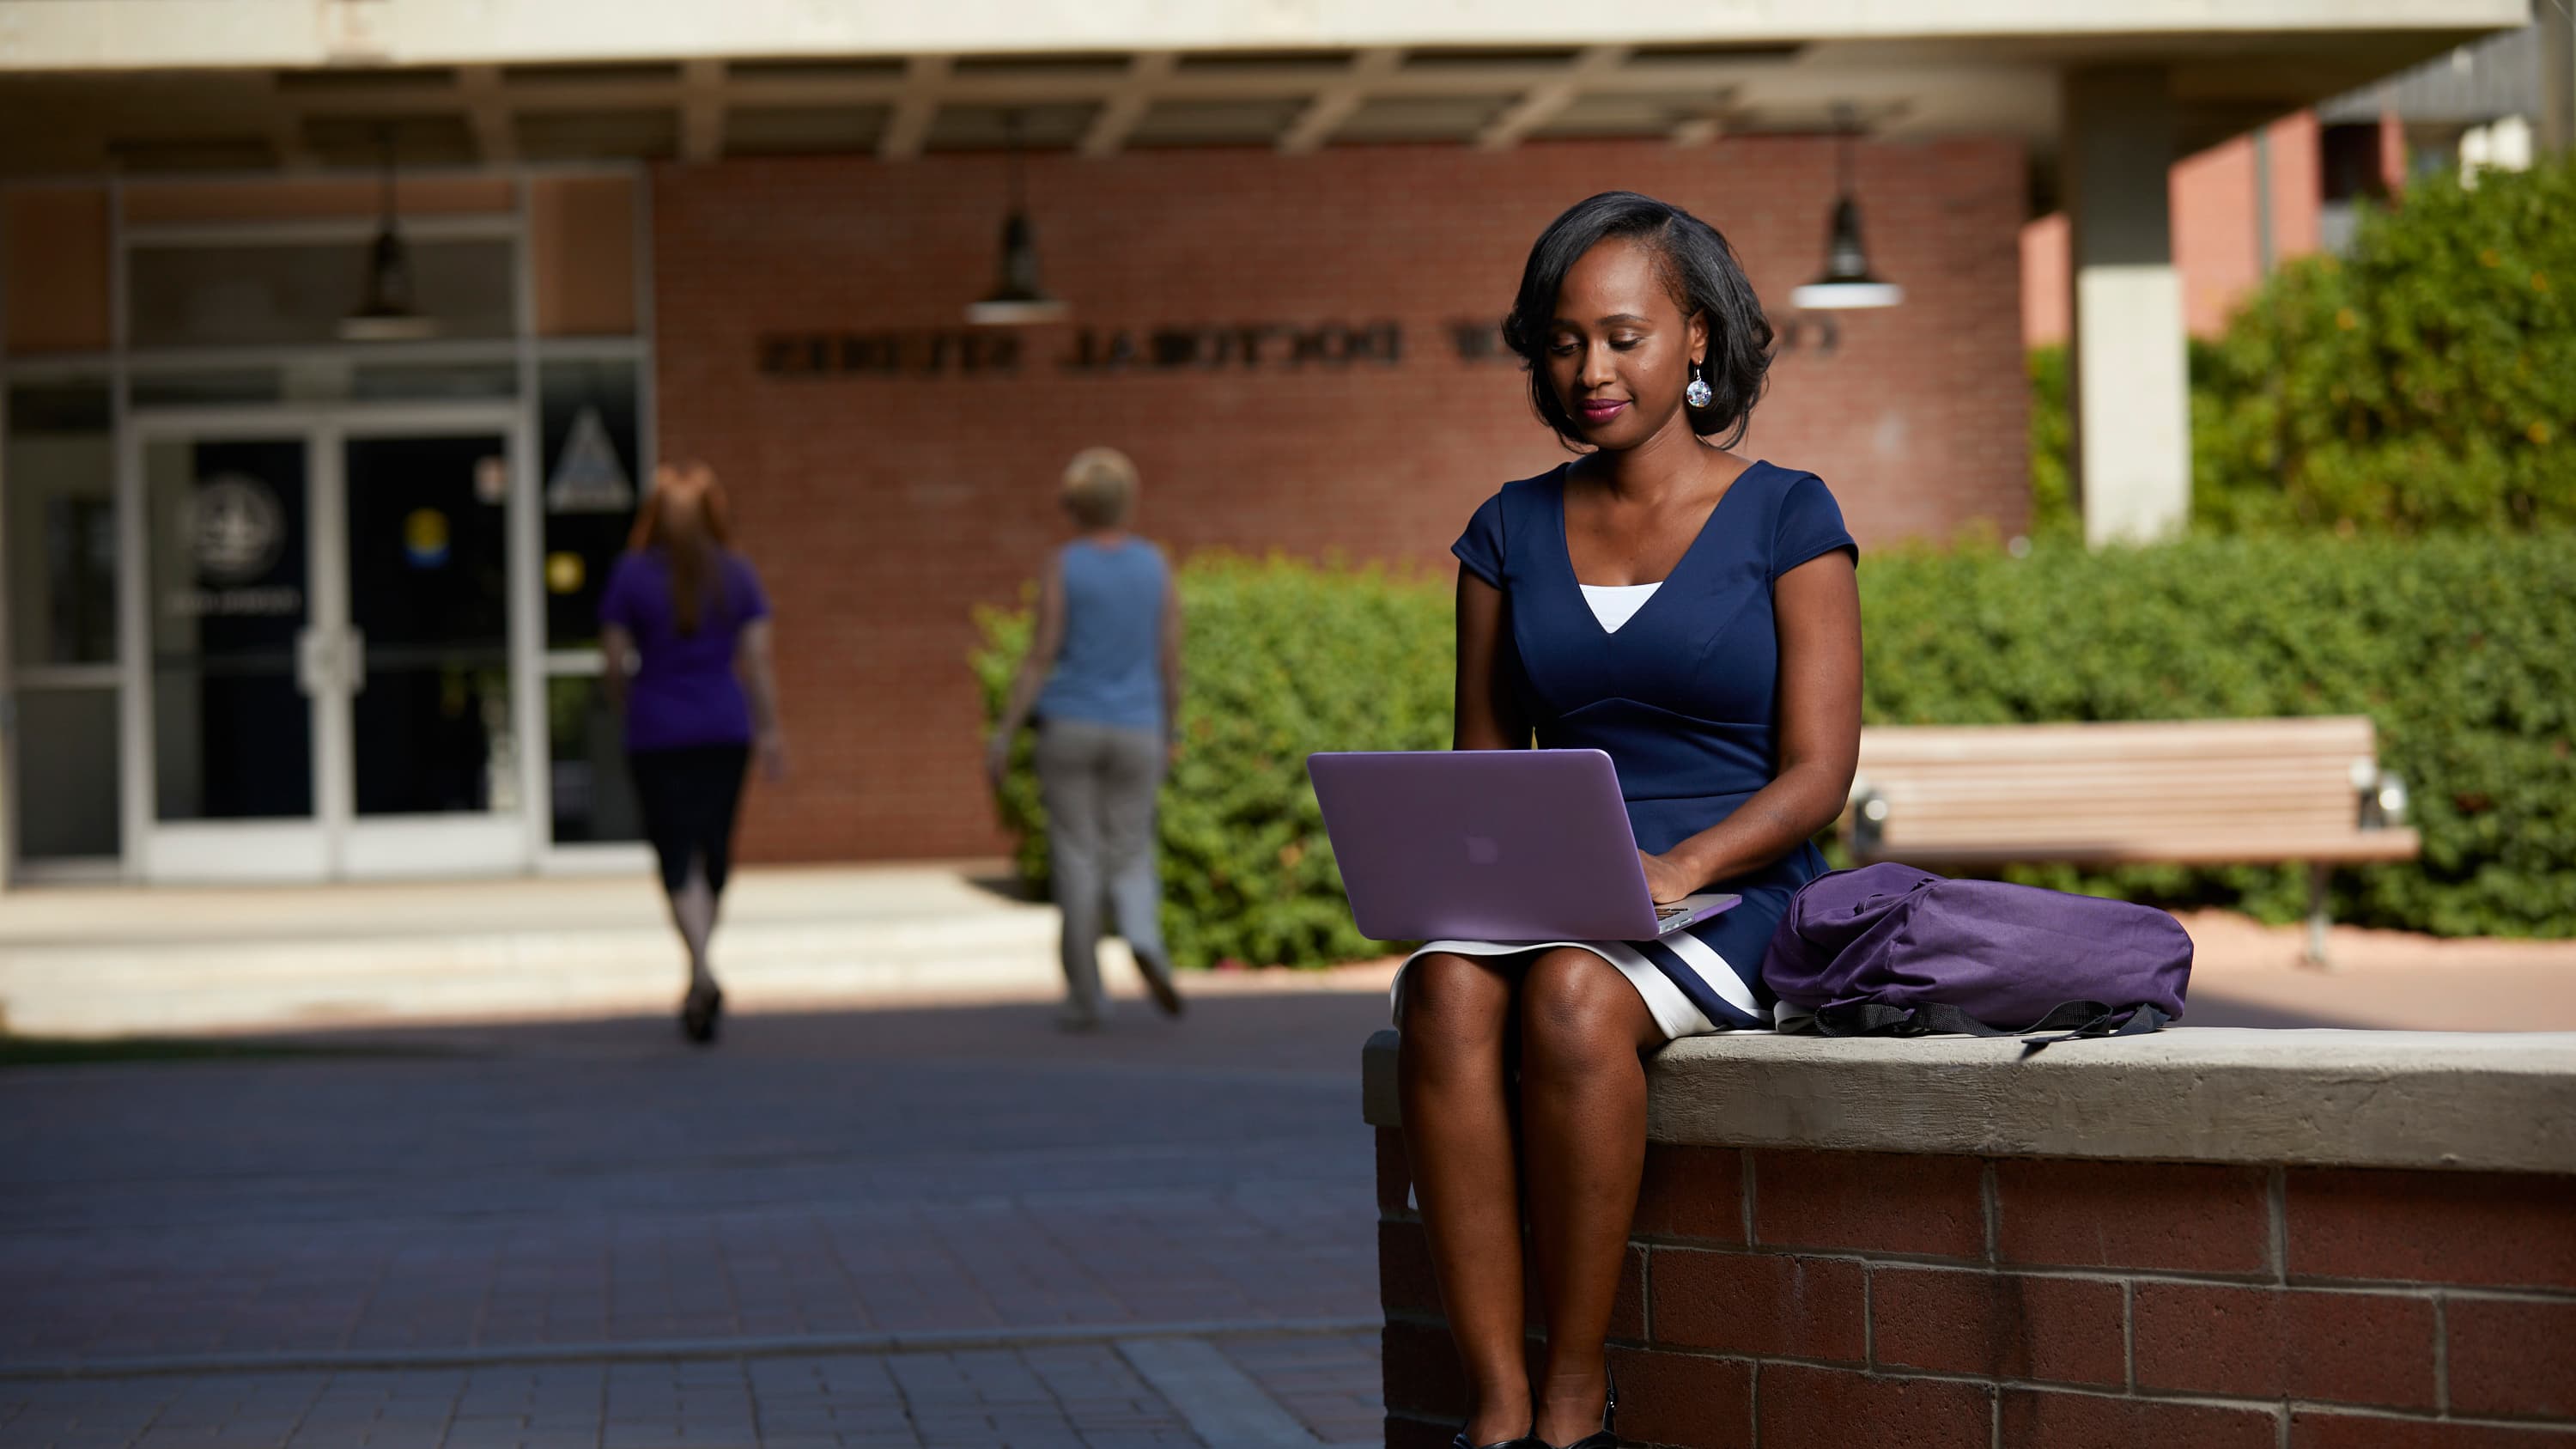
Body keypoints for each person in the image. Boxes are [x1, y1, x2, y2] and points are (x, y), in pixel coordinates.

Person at [1397, 192, 1862, 1449]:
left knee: (1571, 996)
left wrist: (1684, 865)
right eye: (1562, 341)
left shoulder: (1789, 516)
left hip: (1739, 882)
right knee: (1438, 987)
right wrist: (1466, 874)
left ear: (1697, 339)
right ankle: (1494, 1406)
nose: (1589, 369)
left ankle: (1572, 1396)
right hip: (1562, 882)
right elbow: (1486, 764)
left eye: (1622, 336)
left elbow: (1822, 769)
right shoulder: (1505, 530)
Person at [987, 447, 1188, 1032]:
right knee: (1131, 848)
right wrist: (1171, 726)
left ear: (1075, 505)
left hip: (1069, 725)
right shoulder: (1155, 566)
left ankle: (1087, 996)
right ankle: (1144, 936)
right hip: (1139, 725)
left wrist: (1004, 733)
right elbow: (1169, 657)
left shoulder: (1064, 564)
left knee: (1076, 856)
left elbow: (1040, 653)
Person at [601, 460, 787, 1044]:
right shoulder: (736, 573)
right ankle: (702, 969)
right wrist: (771, 730)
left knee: (675, 853)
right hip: (723, 728)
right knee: (713, 851)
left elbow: (613, 658)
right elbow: (757, 662)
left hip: (658, 731)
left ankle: (700, 970)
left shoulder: (632, 575)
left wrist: (630, 705)